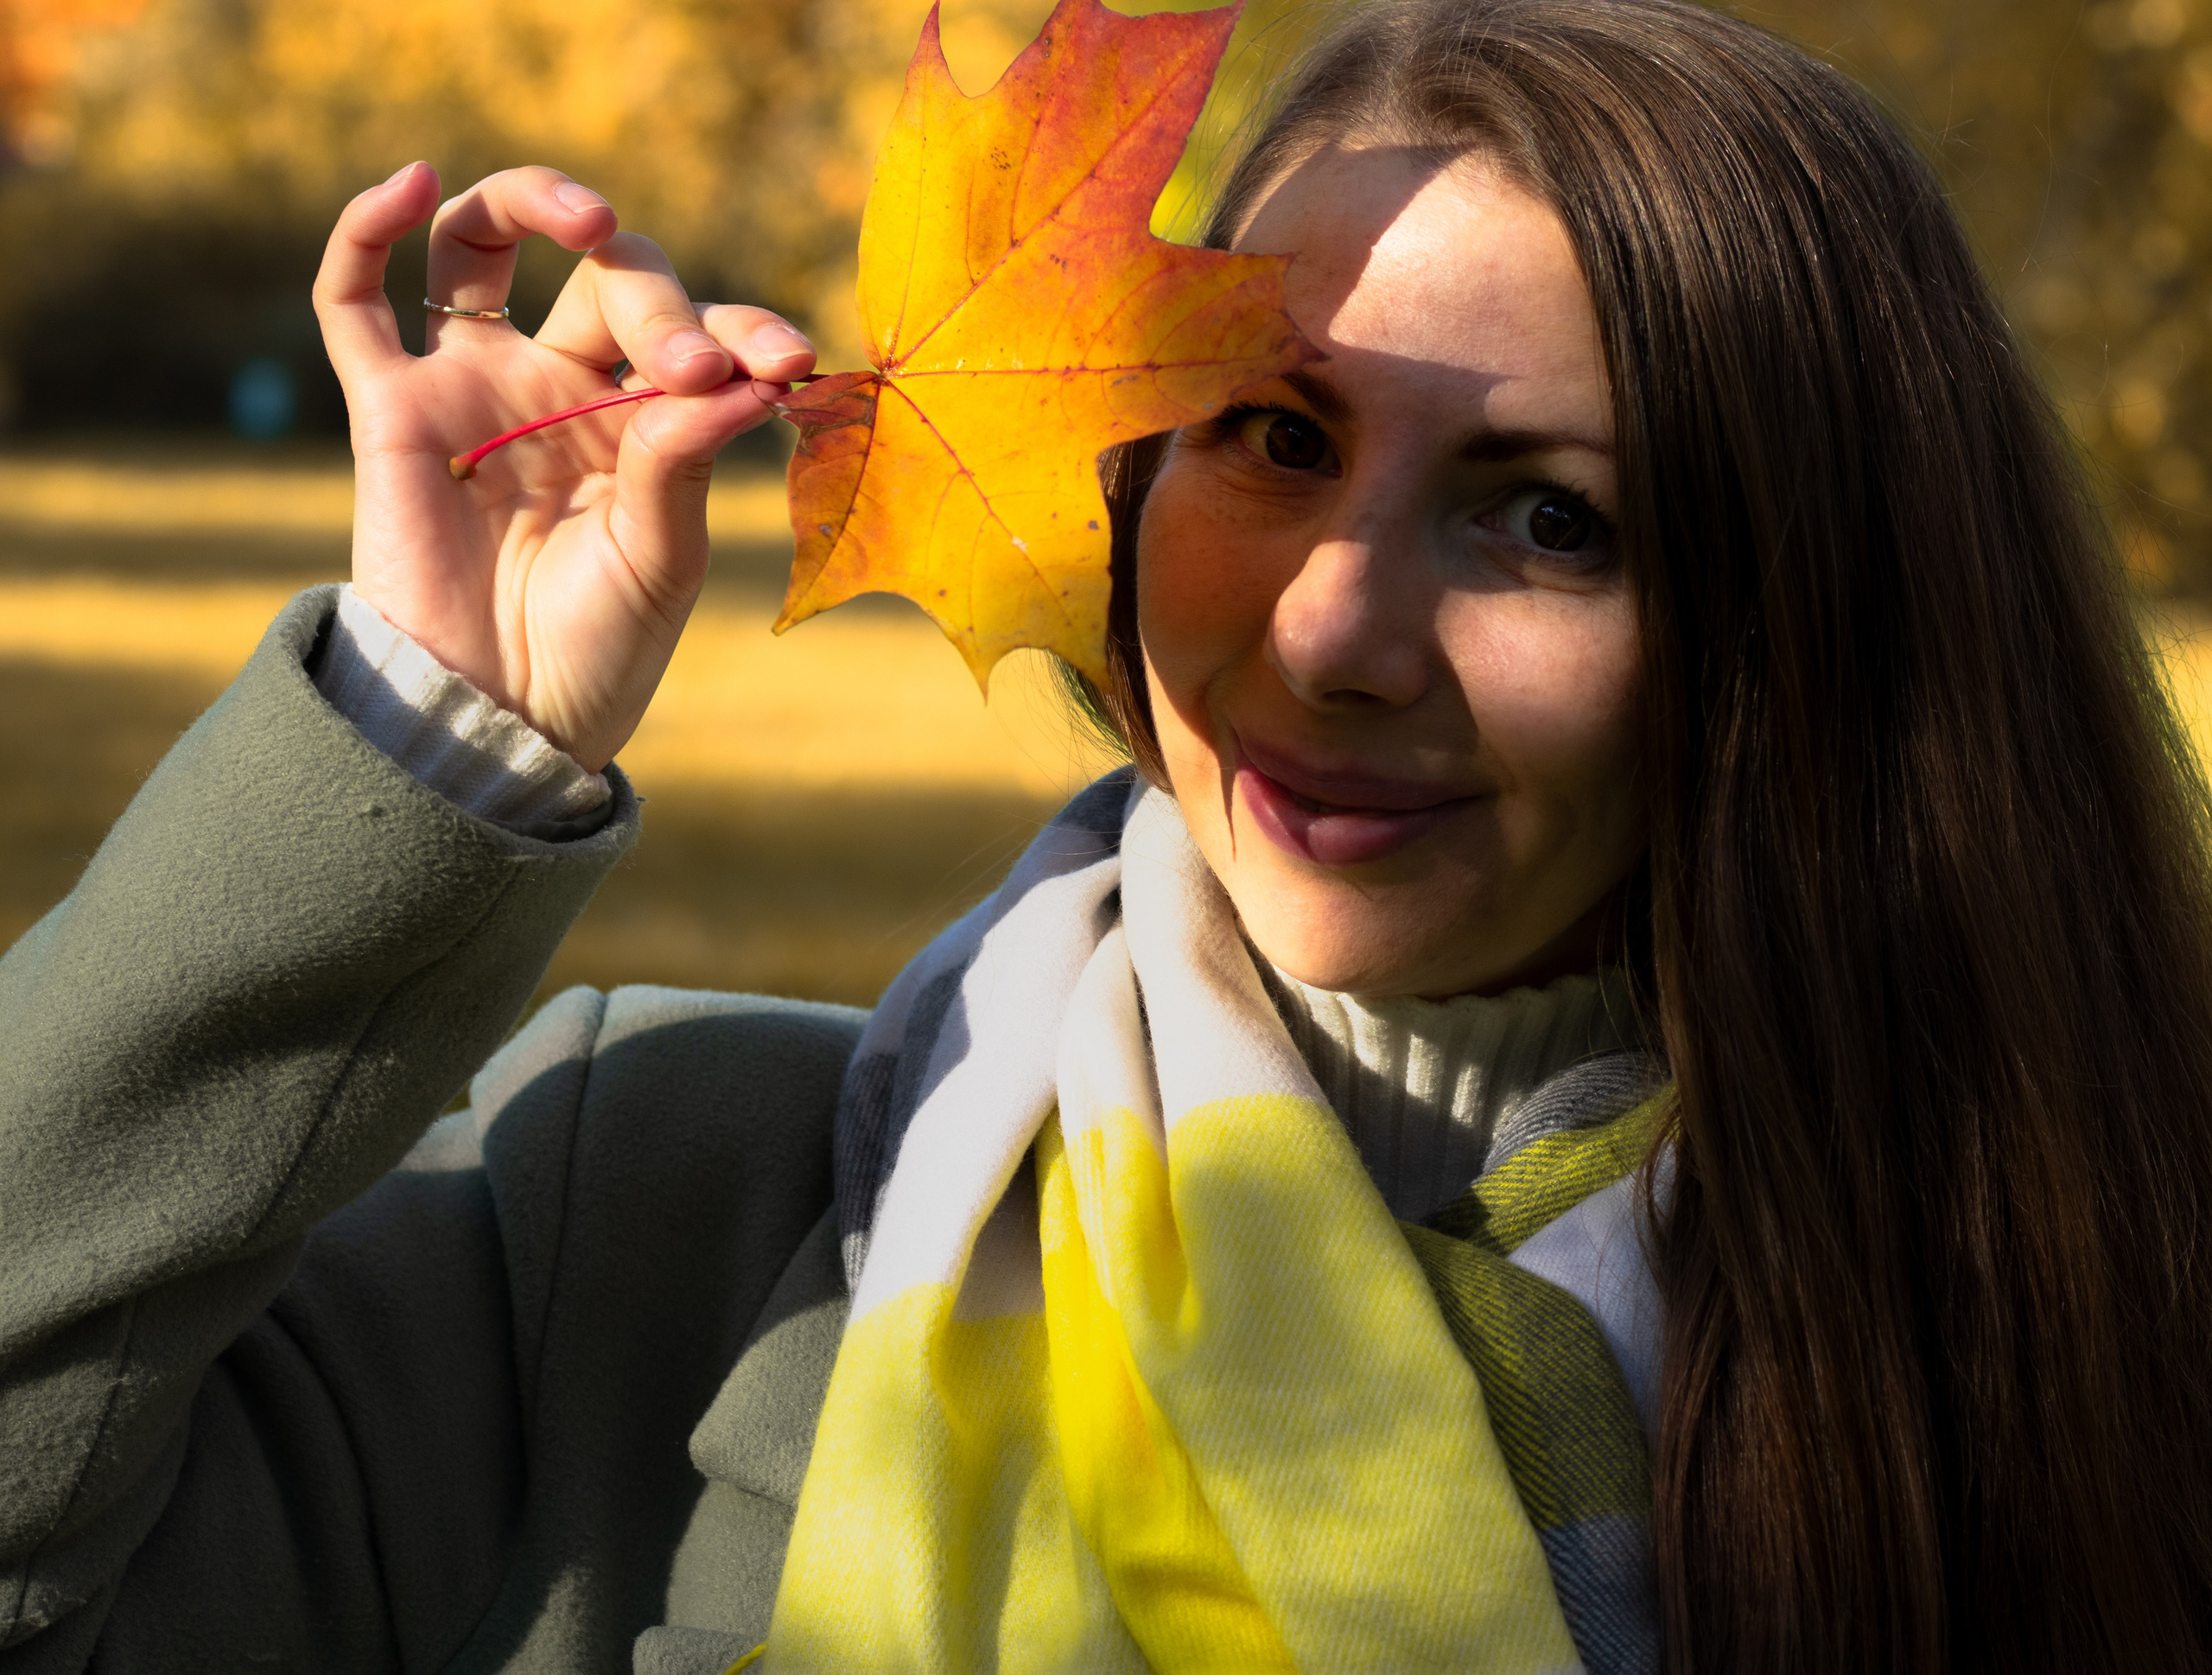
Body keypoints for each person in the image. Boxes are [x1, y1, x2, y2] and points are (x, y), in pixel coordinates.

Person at [4, 0, 2209, 1667]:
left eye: (1550, 517)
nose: (1335, 627)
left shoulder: (2087, 1323)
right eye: (1265, 433)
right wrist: (423, 732)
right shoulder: (654, 1215)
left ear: (1813, 624)